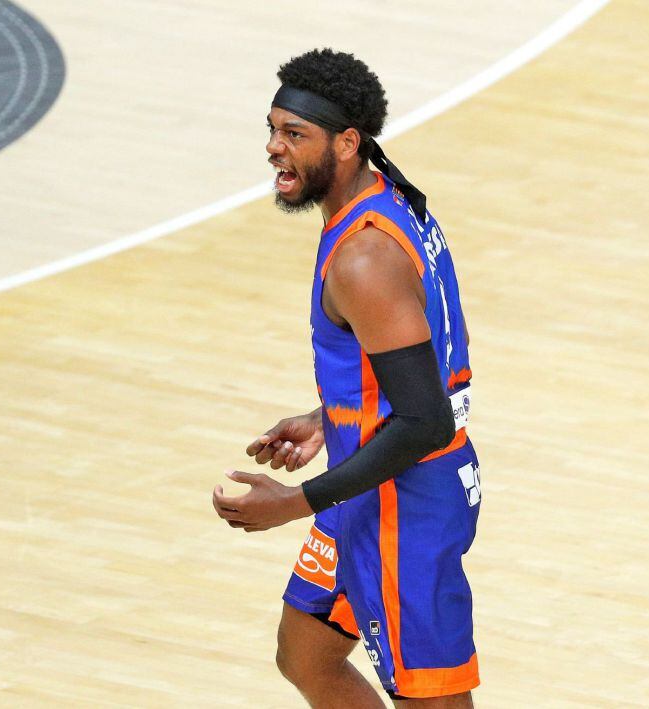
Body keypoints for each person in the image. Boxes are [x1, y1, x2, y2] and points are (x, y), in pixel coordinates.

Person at [212, 48, 481, 708]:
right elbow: (416, 355)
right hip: (371, 476)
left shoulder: (363, 255)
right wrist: (328, 414)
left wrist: (294, 501)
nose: (275, 149)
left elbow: (426, 419)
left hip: (404, 503)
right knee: (305, 650)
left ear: (347, 141)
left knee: (432, 700)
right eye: (272, 129)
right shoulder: (385, 196)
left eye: (294, 135)